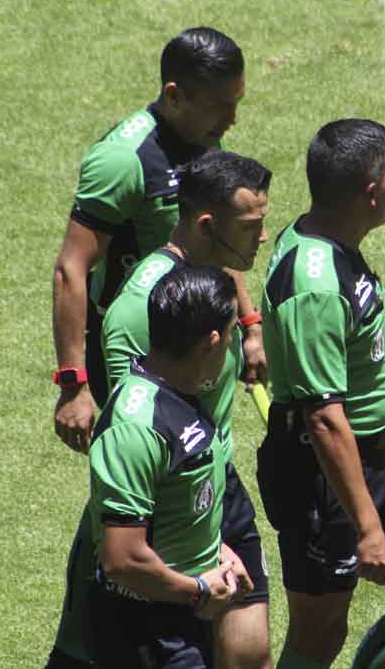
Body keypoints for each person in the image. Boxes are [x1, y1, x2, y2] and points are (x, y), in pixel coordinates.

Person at [47, 150, 273, 669]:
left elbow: (229, 266)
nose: (261, 238)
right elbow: (140, 428)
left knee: (250, 655)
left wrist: (252, 326)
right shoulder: (137, 310)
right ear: (207, 224)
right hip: (165, 502)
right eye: (251, 226)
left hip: (215, 476)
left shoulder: (216, 260)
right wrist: (202, 540)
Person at [258, 119, 385, 669]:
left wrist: (377, 397)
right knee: (319, 637)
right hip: (323, 476)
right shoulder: (316, 283)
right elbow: (322, 418)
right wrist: (368, 528)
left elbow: (337, 357)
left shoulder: (330, 239)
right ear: (371, 191)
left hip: (370, 454)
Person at [52, 26, 266, 455]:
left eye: (236, 102)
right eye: (219, 105)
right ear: (173, 96)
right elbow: (71, 269)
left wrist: (248, 324)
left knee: (196, 466)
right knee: (147, 468)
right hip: (136, 345)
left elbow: (214, 241)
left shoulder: (205, 137)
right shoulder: (122, 161)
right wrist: (74, 383)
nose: (231, 119)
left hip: (199, 335)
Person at [75, 265, 250, 668]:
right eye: (232, 332)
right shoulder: (138, 426)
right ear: (212, 341)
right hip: (145, 631)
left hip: (178, 615)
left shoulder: (179, 395)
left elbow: (173, 509)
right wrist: (198, 591)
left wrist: (217, 551)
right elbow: (123, 559)